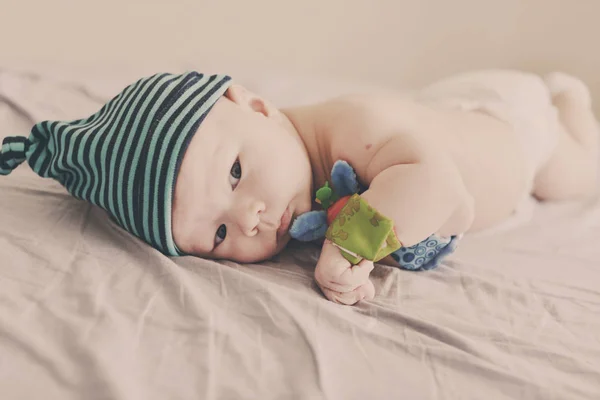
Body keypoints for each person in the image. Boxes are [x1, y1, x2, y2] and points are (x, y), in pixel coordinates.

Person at [1, 70, 597, 306]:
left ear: (254, 104)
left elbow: (441, 188)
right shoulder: (292, 167)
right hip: (440, 111)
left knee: (576, 171)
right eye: (218, 232)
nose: (252, 216)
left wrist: (348, 248)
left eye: (233, 173)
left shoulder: (351, 129)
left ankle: (565, 101)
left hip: (513, 133)